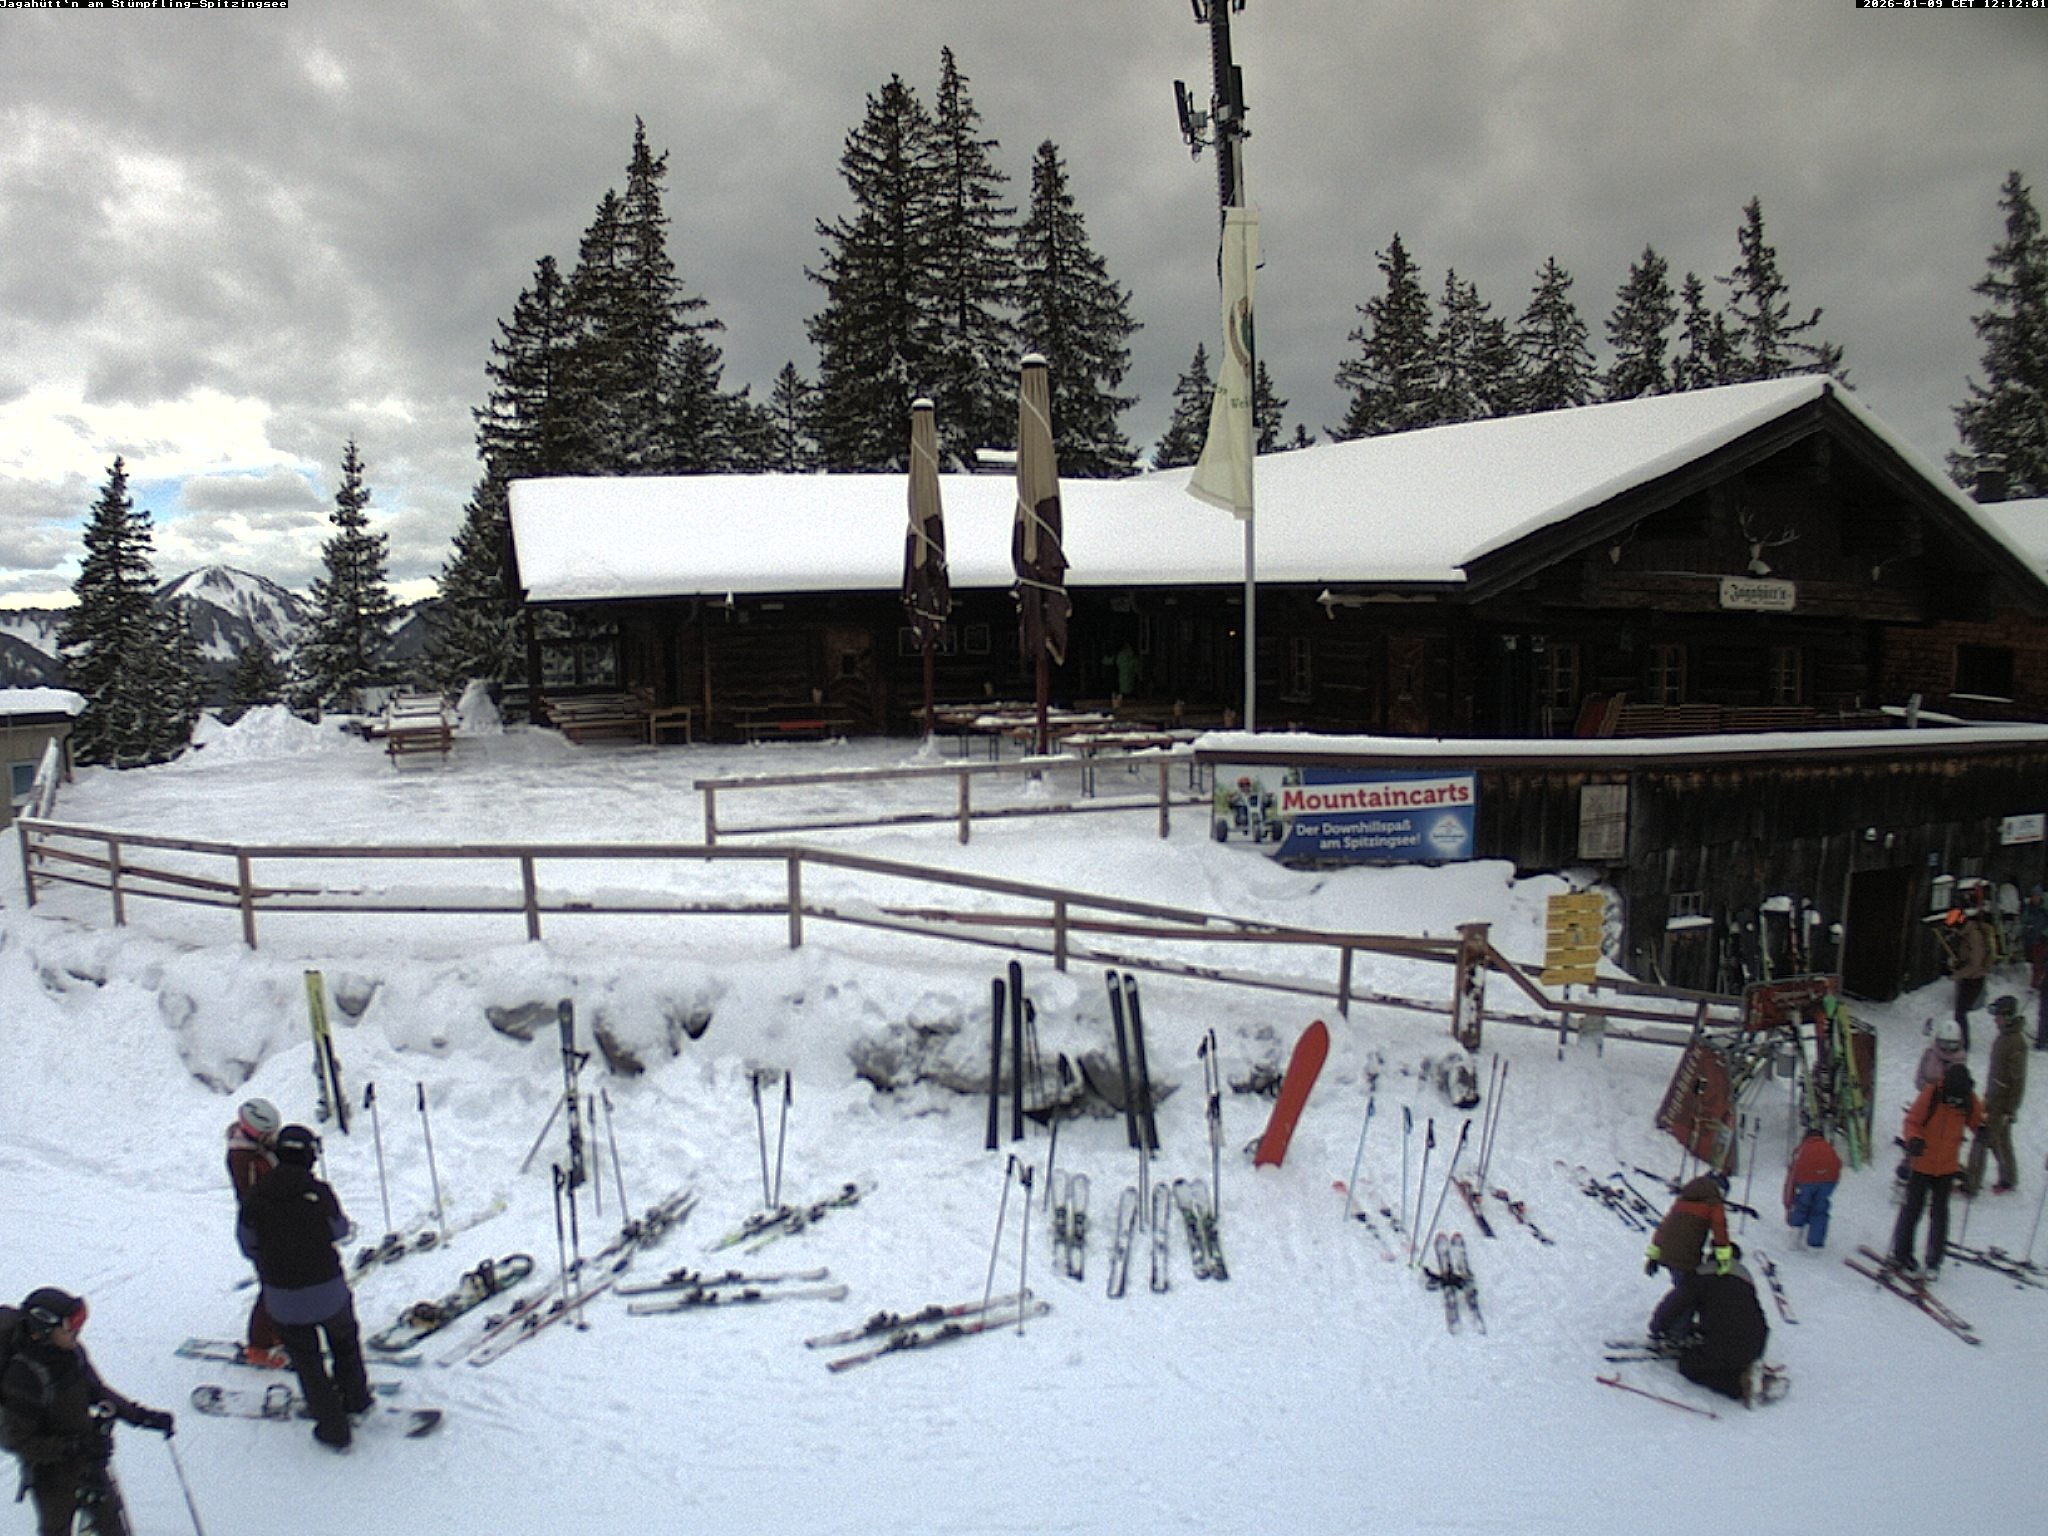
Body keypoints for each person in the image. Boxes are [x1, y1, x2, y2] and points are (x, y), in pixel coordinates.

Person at [238, 1123, 372, 1449]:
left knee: (307, 1362)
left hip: (283, 1298)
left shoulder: (256, 1196)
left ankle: (332, 1427)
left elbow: (248, 1245)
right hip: (329, 1291)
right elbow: (339, 1230)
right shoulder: (319, 1191)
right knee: (345, 1343)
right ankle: (356, 1399)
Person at [1, 1287, 174, 1536]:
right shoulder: (24, 1377)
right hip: (52, 1477)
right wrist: (71, 1447)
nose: (77, 1332)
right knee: (57, 1529)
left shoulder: (72, 1353)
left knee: (111, 1522)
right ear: (44, 1330)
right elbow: (16, 1440)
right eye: (70, 1327)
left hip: (89, 1460)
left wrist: (141, 1417)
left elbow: (97, 1391)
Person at [1889, 1062, 1984, 1280]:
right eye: (1951, 1098)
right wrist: (1914, 1139)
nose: (1954, 1102)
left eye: (1957, 1100)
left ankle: (1934, 1260)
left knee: (1940, 1214)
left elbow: (1977, 1120)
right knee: (1912, 1209)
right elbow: (1912, 1121)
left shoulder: (1968, 1098)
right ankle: (1902, 1254)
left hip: (1947, 1167)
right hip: (1922, 1163)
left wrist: (1981, 1129)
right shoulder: (1931, 1094)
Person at [1654, 1244, 1772, 1404]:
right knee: (1728, 1354)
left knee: (1689, 1365)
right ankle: (1749, 1371)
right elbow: (1734, 1314)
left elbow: (1674, 1304)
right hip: (1758, 1340)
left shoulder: (1702, 1275)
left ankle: (1740, 1385)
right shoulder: (1745, 1277)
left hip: (1726, 1343)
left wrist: (1657, 1328)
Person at [226, 1096, 287, 1367]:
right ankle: (259, 1346)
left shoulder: (258, 1148)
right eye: (267, 1134)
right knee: (273, 1283)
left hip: (276, 1225)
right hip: (261, 1231)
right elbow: (253, 1199)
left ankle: (277, 1331)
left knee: (283, 1280)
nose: (271, 1138)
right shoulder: (243, 1158)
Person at [1644, 1171, 1732, 1341]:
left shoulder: (1684, 1200)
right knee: (1689, 1295)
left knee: (1683, 1291)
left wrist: (1654, 1255)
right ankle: (1677, 1334)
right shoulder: (1713, 1203)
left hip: (1668, 1252)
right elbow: (1720, 1231)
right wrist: (1724, 1260)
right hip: (1686, 1257)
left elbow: (1664, 1228)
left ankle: (1672, 1327)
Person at [1966, 995, 2029, 1195]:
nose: (1995, 1020)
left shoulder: (2015, 1043)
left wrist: (2009, 1109)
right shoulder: (2004, 1037)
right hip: (1994, 1099)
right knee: (2001, 1139)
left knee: (1982, 1139)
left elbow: (2018, 1081)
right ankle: (2009, 1178)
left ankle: (1971, 1184)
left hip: (2002, 1103)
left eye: (1999, 1016)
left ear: (2008, 1016)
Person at [1782, 1128, 1843, 1249]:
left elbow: (1791, 1179)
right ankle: (1815, 1244)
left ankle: (1795, 1238)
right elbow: (1838, 1165)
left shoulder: (1801, 1150)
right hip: (1828, 1181)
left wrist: (1788, 1203)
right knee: (1820, 1209)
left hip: (1806, 1181)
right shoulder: (1828, 1148)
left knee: (1801, 1205)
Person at [1948, 906, 1992, 1051]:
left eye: (1954, 927)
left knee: (1961, 1012)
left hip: (1974, 979)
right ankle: (1960, 1041)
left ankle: (1963, 1044)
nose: (1953, 931)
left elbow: (1975, 964)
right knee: (1960, 1011)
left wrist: (1958, 974)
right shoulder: (1966, 935)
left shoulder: (1973, 936)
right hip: (1969, 977)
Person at [1916, 1017, 1967, 1091]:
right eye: (1944, 1044)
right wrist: (1927, 1088)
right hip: (1927, 1094)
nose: (1948, 1049)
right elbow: (1919, 1077)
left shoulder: (1960, 1060)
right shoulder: (1930, 1053)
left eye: (1952, 1045)